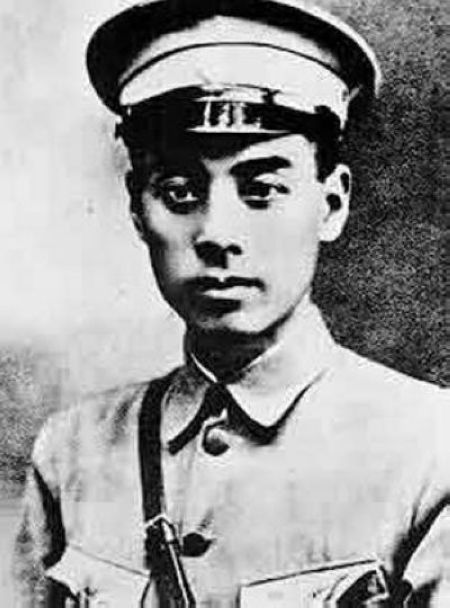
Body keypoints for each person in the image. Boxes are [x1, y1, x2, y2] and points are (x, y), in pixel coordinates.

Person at [12, 0, 448, 606]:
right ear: (137, 210)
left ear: (332, 204)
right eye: (178, 191)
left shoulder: (429, 449)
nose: (217, 233)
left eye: (262, 189)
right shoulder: (72, 451)